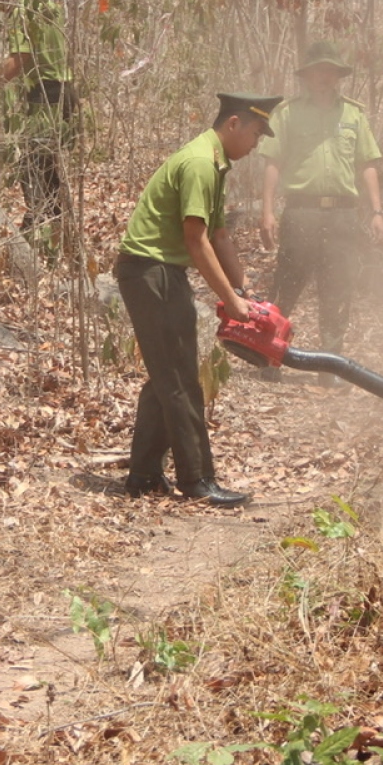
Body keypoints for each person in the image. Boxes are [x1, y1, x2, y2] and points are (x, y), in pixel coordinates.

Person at [114, 93, 281, 508]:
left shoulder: (215, 165)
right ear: (234, 124)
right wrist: (227, 297)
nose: (257, 143)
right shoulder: (199, 164)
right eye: (256, 133)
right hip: (149, 271)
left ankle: (144, 475)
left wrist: (243, 292)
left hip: (162, 271)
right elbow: (196, 239)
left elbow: (220, 235)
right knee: (180, 379)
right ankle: (197, 479)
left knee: (167, 374)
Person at [258, 40, 383, 385]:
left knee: (337, 290)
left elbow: (368, 165)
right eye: (318, 71)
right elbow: (272, 162)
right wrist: (267, 212)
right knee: (287, 287)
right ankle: (269, 359)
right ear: (307, 75)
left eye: (330, 71)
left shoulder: (353, 115)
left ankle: (330, 369)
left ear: (337, 75)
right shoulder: (287, 113)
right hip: (301, 214)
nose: (324, 77)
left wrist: (376, 211)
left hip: (343, 217)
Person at [0, 0, 76, 235]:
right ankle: (58, 227)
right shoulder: (50, 5)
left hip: (46, 96)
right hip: (66, 92)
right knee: (48, 167)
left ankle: (37, 227)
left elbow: (20, 59)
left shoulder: (23, 12)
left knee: (32, 167)